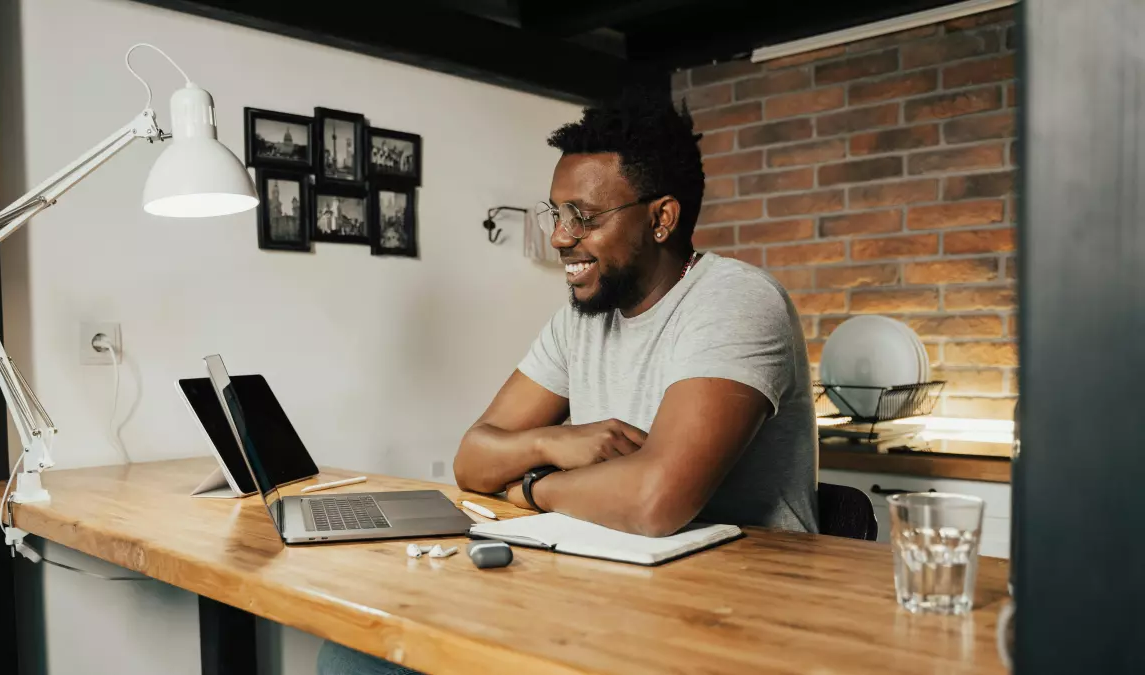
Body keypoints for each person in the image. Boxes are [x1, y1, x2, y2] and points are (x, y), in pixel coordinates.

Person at [317, 87, 817, 675]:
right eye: (557, 212)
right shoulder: (580, 320)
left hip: (735, 613)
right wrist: (551, 443)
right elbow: (473, 460)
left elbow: (655, 501)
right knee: (359, 657)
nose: (559, 236)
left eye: (585, 216)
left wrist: (527, 489)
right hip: (609, 589)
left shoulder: (733, 301)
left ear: (661, 219)